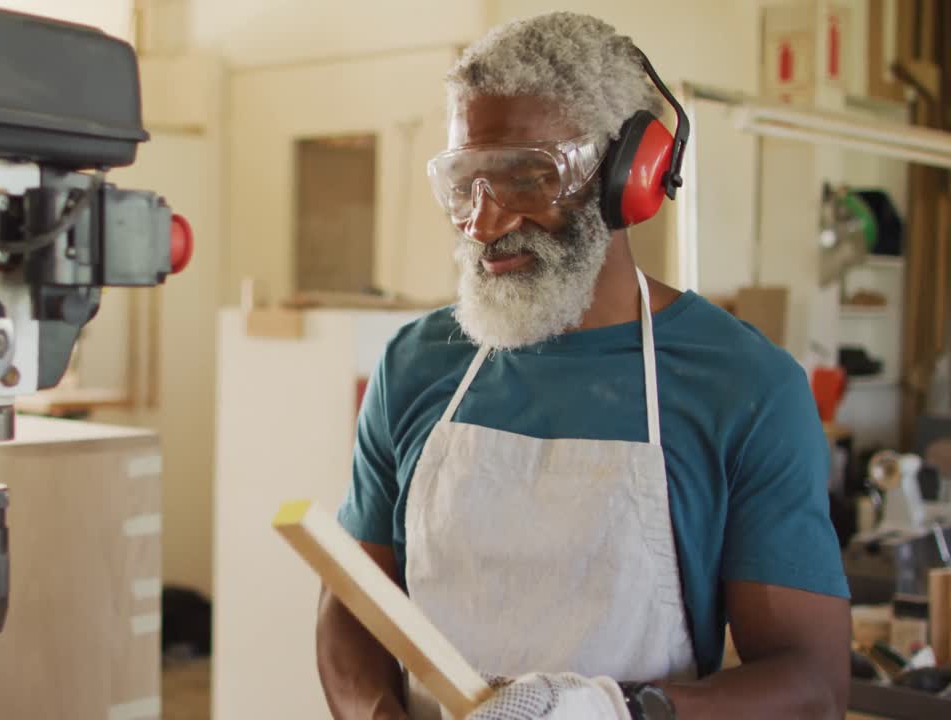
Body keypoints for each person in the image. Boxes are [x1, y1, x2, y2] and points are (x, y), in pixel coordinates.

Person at [316, 13, 850, 720]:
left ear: (631, 176)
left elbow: (813, 686)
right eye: (466, 183)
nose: (484, 222)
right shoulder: (415, 366)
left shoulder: (744, 387)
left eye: (528, 179)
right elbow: (352, 605)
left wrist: (619, 711)